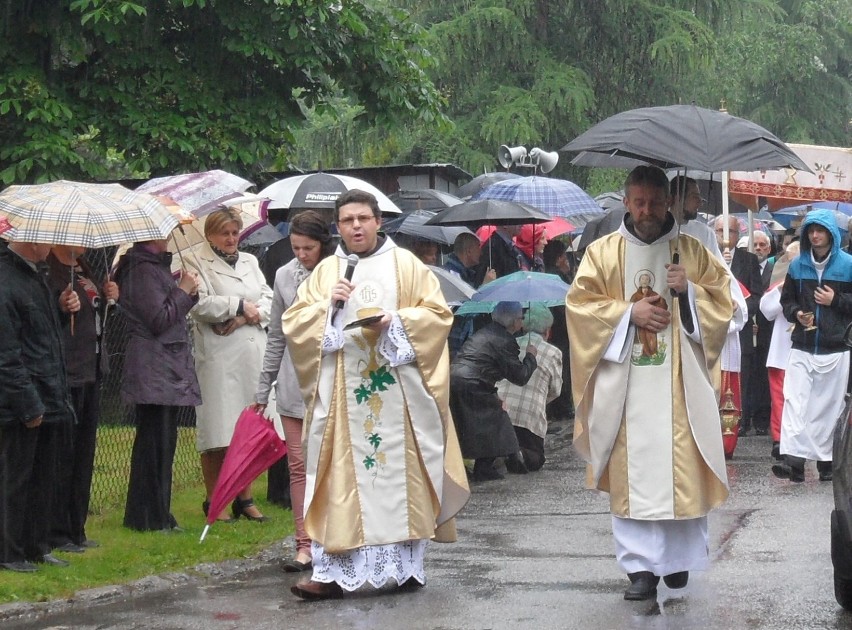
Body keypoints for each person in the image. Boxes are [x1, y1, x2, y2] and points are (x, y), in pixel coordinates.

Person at [282, 189, 469, 600]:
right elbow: (294, 323)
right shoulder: (327, 270)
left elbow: (438, 316)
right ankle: (330, 573)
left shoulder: (406, 265)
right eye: (347, 221)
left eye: (363, 219)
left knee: (399, 480)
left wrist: (396, 322)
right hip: (341, 399)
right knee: (337, 479)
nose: (356, 227)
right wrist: (325, 311)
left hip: (397, 395)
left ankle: (405, 566)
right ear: (338, 226)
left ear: (377, 220)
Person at [566, 165, 732, 601]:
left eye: (655, 203)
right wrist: (627, 314)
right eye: (638, 202)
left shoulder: (691, 251)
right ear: (626, 202)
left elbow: (724, 305)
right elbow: (580, 308)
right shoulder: (603, 253)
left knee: (681, 465)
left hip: (678, 385)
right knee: (632, 470)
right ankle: (640, 569)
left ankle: (677, 564)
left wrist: (690, 292)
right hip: (626, 384)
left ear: (668, 202)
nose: (646, 211)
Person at [251, 210, 335, 572]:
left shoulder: (338, 272)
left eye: (309, 248)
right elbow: (277, 335)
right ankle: (303, 544)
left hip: (331, 380)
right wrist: (262, 386)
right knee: (298, 466)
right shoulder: (284, 275)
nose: (302, 254)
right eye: (296, 247)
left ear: (323, 245)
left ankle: (333, 539)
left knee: (330, 464)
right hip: (291, 384)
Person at [184, 207, 273, 522]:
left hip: (250, 353)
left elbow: (270, 300)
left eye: (236, 233)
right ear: (210, 235)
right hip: (219, 357)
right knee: (217, 430)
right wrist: (238, 305)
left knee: (246, 429)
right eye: (225, 233)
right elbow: (199, 304)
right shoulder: (194, 261)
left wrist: (244, 316)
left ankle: (245, 498)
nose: (232, 239)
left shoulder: (250, 262)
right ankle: (215, 500)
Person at [114, 236, 202, 532]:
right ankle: (148, 516)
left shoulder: (155, 267)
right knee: (154, 442)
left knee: (165, 441)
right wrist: (183, 291)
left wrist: (189, 294)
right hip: (153, 365)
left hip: (165, 364)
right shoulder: (141, 270)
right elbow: (158, 319)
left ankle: (159, 512)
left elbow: (170, 313)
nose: (169, 235)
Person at [0, 238, 75, 572]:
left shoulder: (36, 276)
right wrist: (28, 404)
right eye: (43, 236)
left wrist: (59, 310)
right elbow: (6, 354)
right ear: (27, 240)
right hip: (19, 400)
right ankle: (9, 551)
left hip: (47, 391)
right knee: (15, 478)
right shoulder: (6, 280)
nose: (51, 242)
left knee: (44, 476)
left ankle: (36, 545)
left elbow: (40, 337)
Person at [46, 246, 119, 553]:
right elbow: (50, 314)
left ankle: (77, 527)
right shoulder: (51, 270)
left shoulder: (83, 265)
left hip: (92, 368)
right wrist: (61, 305)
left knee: (84, 454)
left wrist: (108, 295)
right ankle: (58, 530)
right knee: (63, 454)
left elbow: (94, 311)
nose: (84, 242)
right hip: (69, 370)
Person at [774, 210, 852, 483]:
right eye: (810, 230)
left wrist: (837, 301)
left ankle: (826, 461)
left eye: (820, 230)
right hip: (803, 343)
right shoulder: (797, 266)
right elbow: (787, 301)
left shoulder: (849, 265)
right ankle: (793, 461)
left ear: (832, 233)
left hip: (835, 346)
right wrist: (796, 313)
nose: (815, 235)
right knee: (795, 401)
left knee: (827, 405)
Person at [450, 301, 538, 480]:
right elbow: (520, 376)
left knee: (467, 423)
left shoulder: (486, 331)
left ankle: (479, 465)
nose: (522, 322)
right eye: (521, 318)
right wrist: (530, 356)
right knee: (497, 419)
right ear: (514, 322)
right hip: (473, 383)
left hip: (455, 379)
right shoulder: (504, 340)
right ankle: (484, 467)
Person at [714, 215, 763, 458]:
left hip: (738, 334)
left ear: (738, 233)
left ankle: (734, 431)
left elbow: (756, 297)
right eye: (720, 230)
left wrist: (739, 307)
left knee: (736, 388)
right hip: (712, 334)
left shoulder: (749, 260)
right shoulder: (707, 258)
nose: (725, 236)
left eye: (730, 231)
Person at [495, 304, 562, 472]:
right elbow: (556, 390)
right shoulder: (554, 352)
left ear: (523, 326)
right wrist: (540, 399)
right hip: (530, 418)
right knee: (536, 460)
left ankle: (503, 453)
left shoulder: (508, 344)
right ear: (548, 331)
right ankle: (518, 454)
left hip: (500, 413)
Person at [759, 241, 799, 460]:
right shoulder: (780, 283)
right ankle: (780, 440)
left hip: (806, 349)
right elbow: (767, 311)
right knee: (779, 399)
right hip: (781, 352)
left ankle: (800, 442)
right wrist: (782, 290)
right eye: (788, 261)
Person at [738, 231, 774, 436]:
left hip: (766, 332)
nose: (759, 248)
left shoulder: (774, 269)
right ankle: (745, 416)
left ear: (769, 248)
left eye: (763, 245)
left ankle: (762, 418)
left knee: (762, 377)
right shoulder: (744, 266)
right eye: (755, 245)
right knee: (747, 376)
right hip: (746, 329)